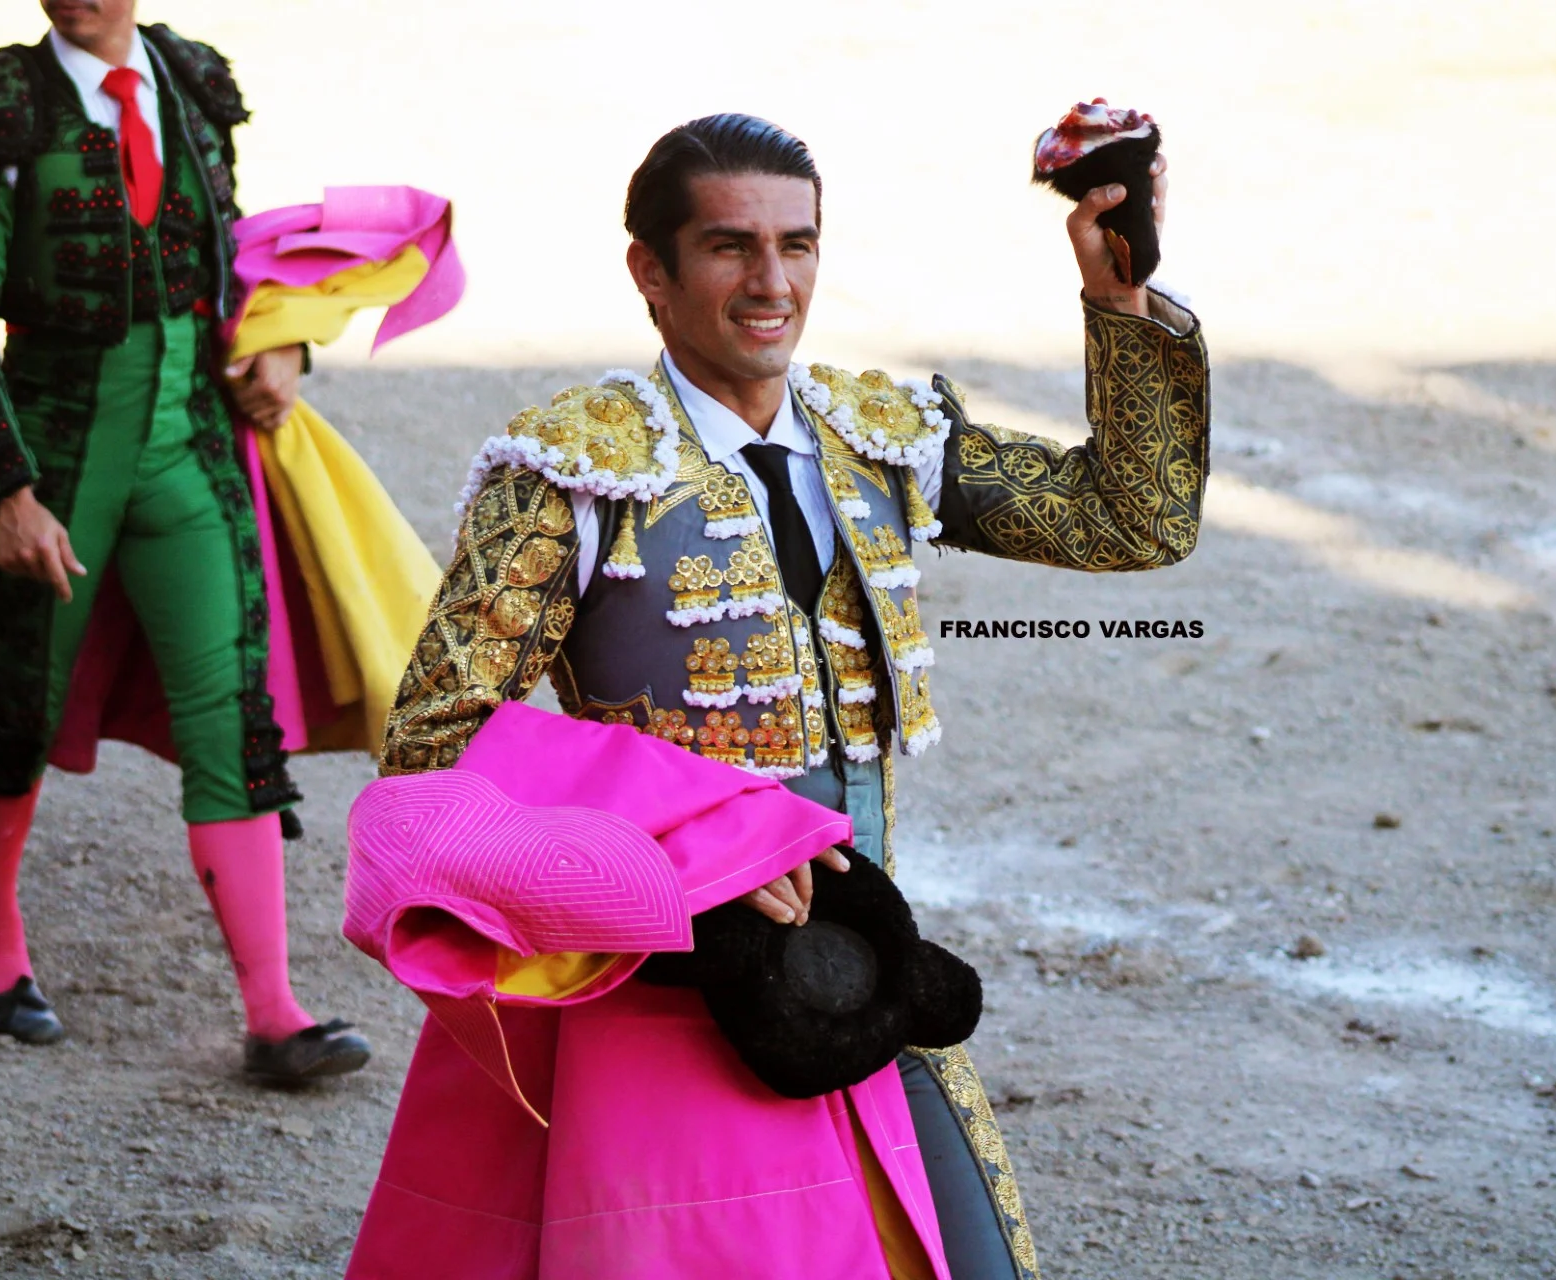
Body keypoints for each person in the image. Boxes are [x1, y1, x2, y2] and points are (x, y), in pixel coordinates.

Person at [373, 112, 1208, 1277]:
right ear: (650, 273)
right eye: (730, 247)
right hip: (662, 1006)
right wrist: (685, 859)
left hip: (869, 975)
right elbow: (430, 748)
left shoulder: (876, 438)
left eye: (798, 245)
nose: (773, 282)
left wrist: (1117, 305)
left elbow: (1133, 516)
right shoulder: (570, 475)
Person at [0, 0, 369, 1079]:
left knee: (231, 711)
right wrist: (6, 490)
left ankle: (273, 1011)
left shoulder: (194, 84)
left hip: (190, 452)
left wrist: (288, 348)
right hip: (58, 458)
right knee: (22, 697)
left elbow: (236, 270)